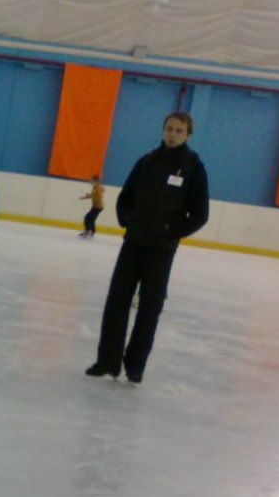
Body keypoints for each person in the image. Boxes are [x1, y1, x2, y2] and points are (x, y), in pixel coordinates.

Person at [85, 111, 209, 384]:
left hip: (161, 249)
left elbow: (200, 214)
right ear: (163, 130)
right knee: (117, 300)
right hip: (133, 243)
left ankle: (135, 365)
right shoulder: (147, 161)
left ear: (188, 135)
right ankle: (107, 361)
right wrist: (127, 221)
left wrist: (172, 232)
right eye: (169, 129)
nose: (172, 135)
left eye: (179, 131)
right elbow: (125, 197)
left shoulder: (193, 167)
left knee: (150, 307)